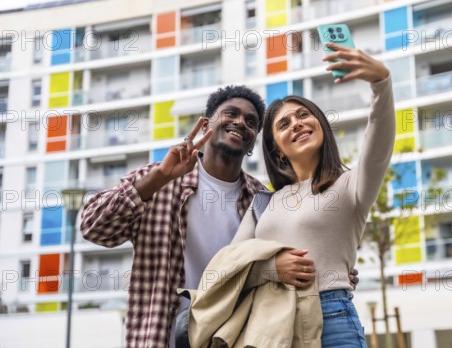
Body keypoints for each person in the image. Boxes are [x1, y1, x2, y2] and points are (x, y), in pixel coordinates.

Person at [80, 86, 315, 348]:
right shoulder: (159, 179)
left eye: (251, 122)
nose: (240, 122)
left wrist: (334, 272)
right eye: (231, 114)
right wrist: (161, 176)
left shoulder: (261, 199)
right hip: (162, 337)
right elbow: (93, 227)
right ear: (206, 125)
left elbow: (287, 262)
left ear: (252, 142)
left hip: (232, 338)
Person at [229, 43, 395, 347]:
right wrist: (271, 269)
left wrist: (381, 84)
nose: (297, 123)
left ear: (320, 124)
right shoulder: (264, 202)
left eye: (304, 115)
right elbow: (230, 269)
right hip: (270, 325)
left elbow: (378, 143)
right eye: (284, 123)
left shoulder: (350, 186)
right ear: (276, 147)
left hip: (331, 317)